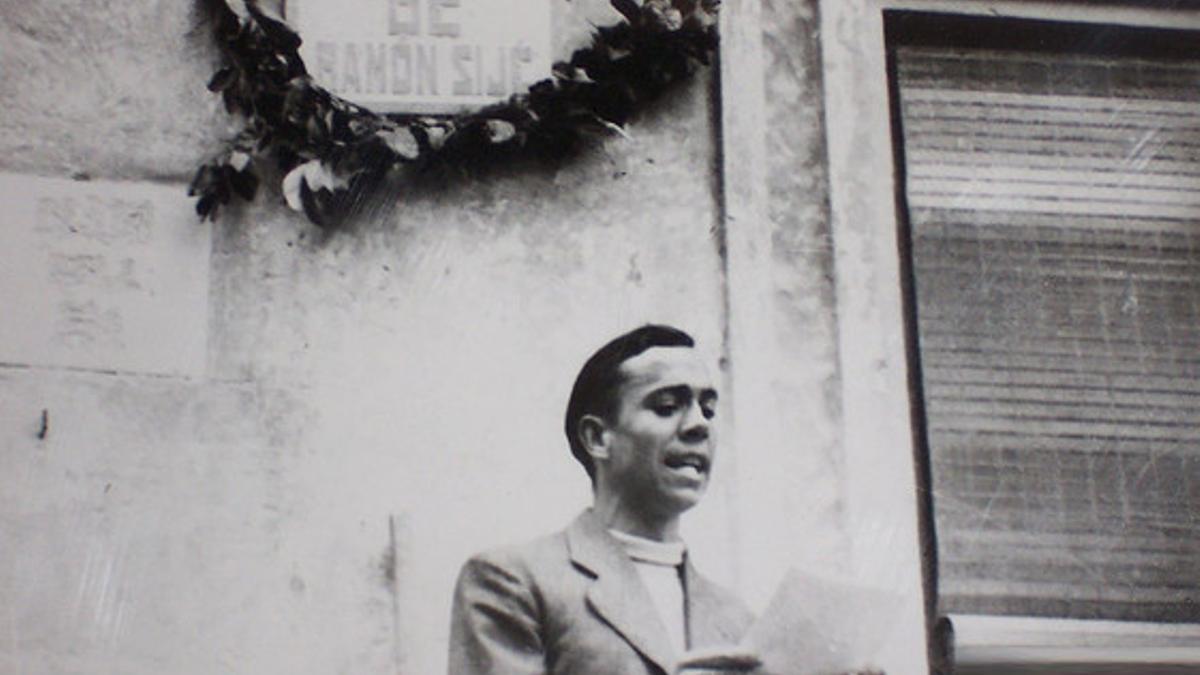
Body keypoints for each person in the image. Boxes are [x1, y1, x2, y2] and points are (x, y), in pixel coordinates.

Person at [448, 324, 757, 675]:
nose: (699, 425)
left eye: (708, 410)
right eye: (668, 406)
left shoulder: (737, 620)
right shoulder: (514, 581)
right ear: (597, 437)